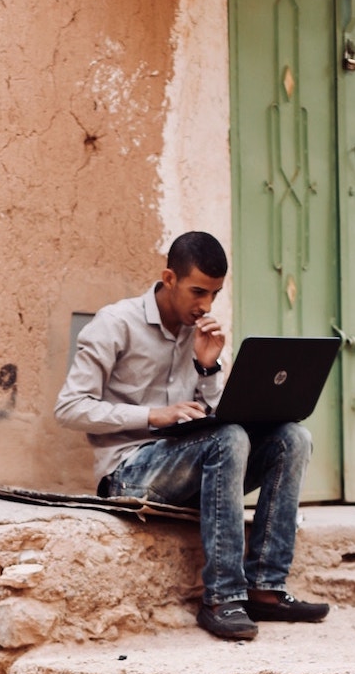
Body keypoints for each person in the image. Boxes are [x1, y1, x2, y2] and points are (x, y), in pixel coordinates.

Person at [55, 231, 329, 641]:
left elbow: (223, 413)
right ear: (169, 278)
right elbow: (70, 408)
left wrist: (209, 367)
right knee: (230, 437)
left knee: (293, 438)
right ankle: (222, 597)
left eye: (215, 294)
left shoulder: (202, 332)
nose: (205, 305)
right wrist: (154, 415)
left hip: (195, 464)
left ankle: (265, 588)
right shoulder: (115, 324)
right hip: (128, 471)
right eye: (198, 291)